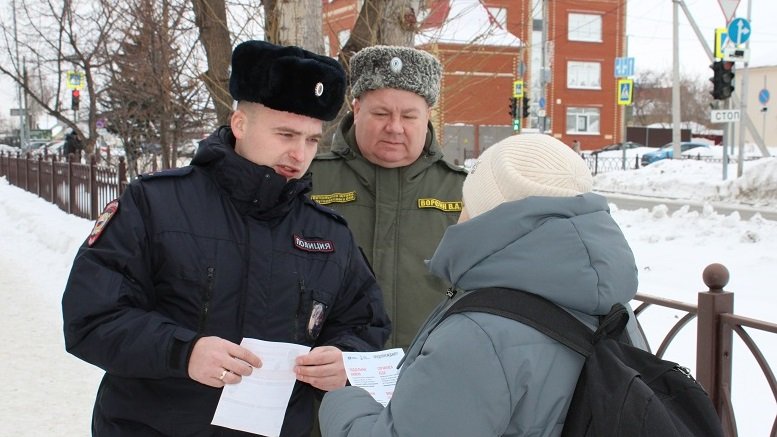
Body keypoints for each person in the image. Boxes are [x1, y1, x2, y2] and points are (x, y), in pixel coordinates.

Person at [62, 40, 391, 437]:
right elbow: (92, 317)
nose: (299, 153)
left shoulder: (327, 233)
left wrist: (346, 361)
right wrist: (183, 352)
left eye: (311, 139)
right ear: (240, 124)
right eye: (285, 134)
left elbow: (365, 324)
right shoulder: (155, 204)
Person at [318, 133, 648, 436]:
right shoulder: (618, 311)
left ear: (486, 210)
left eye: (468, 199)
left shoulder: (480, 334)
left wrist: (343, 400)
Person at [308, 45, 466, 350]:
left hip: (432, 374)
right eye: (381, 113)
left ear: (427, 116)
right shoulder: (310, 181)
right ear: (356, 109)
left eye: (409, 116)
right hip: (327, 381)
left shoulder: (464, 192)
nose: (395, 127)